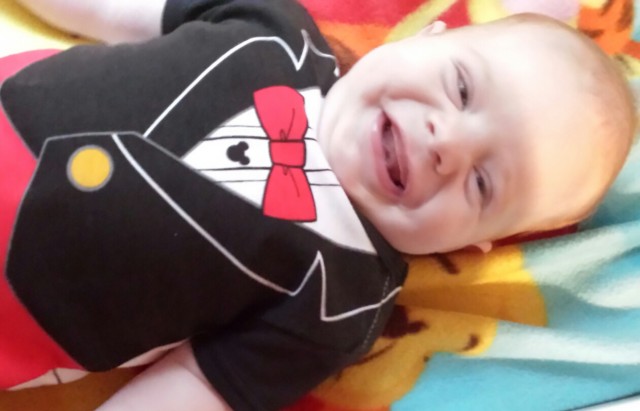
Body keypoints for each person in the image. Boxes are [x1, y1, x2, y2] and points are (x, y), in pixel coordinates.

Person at [0, 0, 634, 410]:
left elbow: (198, 385)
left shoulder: (343, 303)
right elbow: (125, 11)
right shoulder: (281, 32)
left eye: (484, 185)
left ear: (474, 243)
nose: (447, 144)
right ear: (428, 36)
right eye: (461, 87)